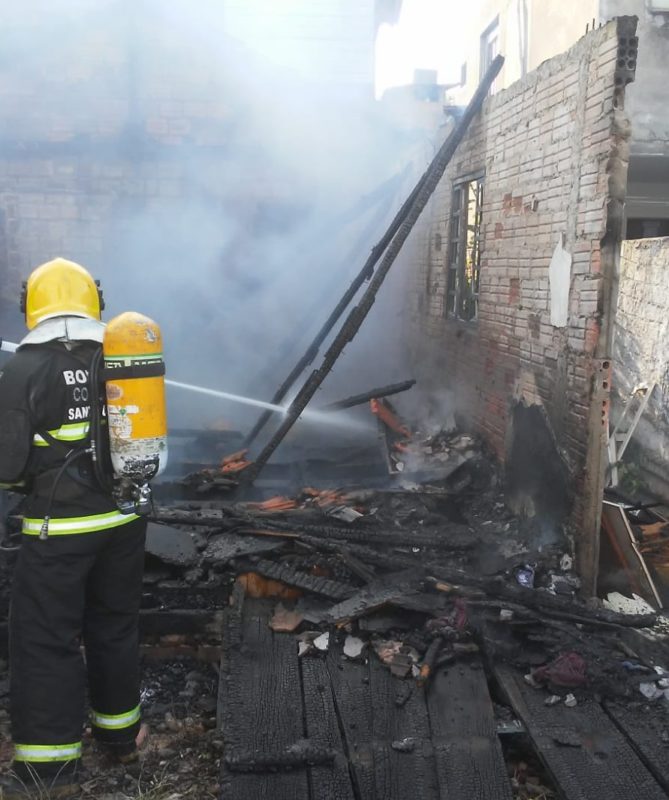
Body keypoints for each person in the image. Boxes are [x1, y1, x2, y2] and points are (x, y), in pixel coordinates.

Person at [0, 258, 148, 798]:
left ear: (31, 305)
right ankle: (121, 739)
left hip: (58, 530)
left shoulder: (23, 367)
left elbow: (7, 466)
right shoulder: (123, 353)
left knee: (45, 638)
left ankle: (48, 768)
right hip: (126, 519)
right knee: (113, 624)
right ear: (95, 301)